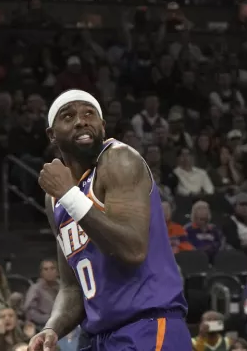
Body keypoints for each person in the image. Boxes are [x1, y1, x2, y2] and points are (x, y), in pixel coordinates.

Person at [28, 90, 191, 351]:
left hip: (147, 326)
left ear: (102, 126)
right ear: (52, 134)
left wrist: (70, 195)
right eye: (68, 116)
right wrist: (52, 328)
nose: (81, 121)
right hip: (101, 337)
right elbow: (72, 288)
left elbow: (132, 249)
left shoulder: (119, 160)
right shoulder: (55, 198)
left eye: (89, 113)